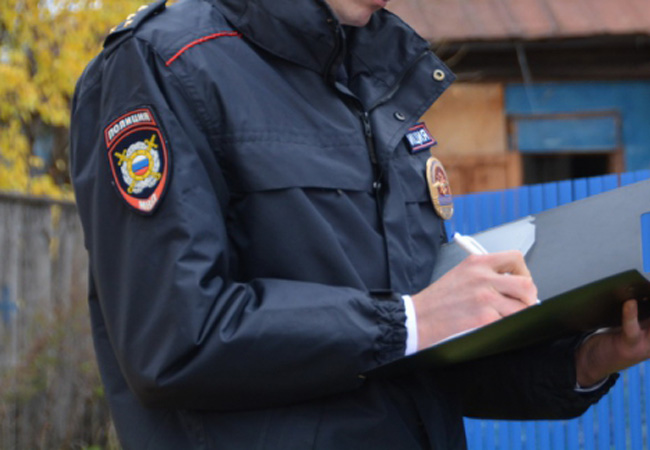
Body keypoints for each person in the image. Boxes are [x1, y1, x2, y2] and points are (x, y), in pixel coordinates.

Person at [69, 0, 650, 448]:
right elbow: (176, 337)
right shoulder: (167, 62)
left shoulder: (371, 75)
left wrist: (586, 359)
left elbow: (416, 369)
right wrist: (409, 321)